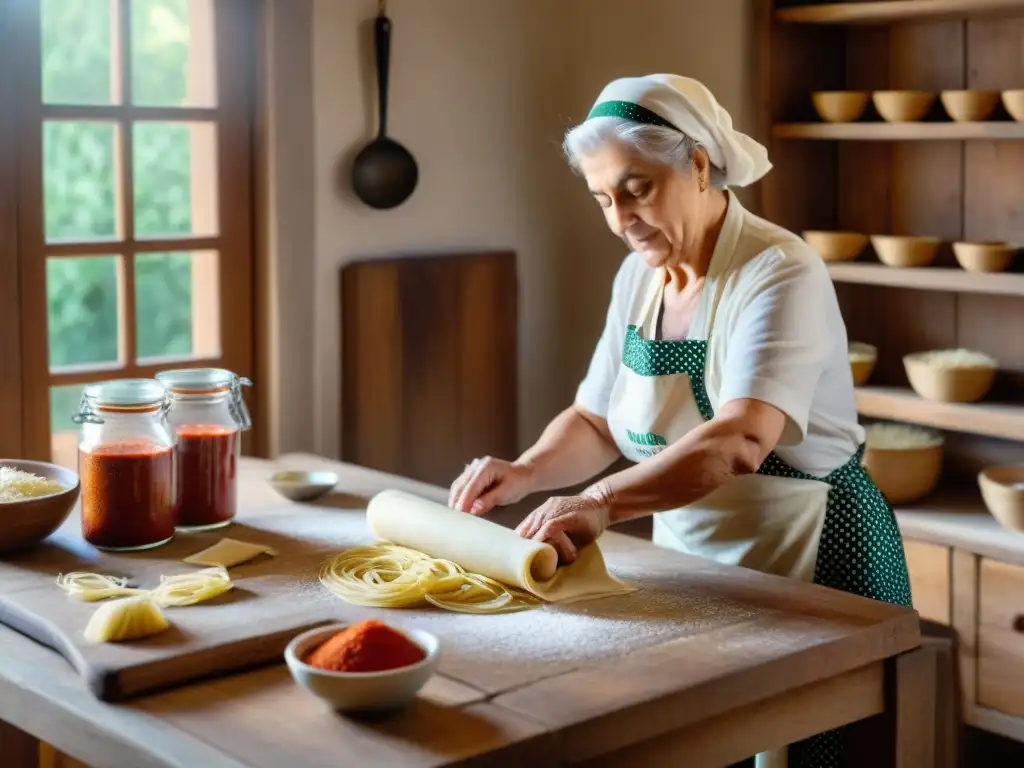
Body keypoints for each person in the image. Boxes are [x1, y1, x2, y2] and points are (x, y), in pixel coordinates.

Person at [448, 74, 912, 768]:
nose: (621, 219)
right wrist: (526, 472)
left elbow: (742, 439)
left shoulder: (778, 270)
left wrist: (601, 502)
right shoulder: (639, 277)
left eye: (637, 189)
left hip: (813, 557)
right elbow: (596, 419)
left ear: (697, 164)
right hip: (694, 562)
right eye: (604, 198)